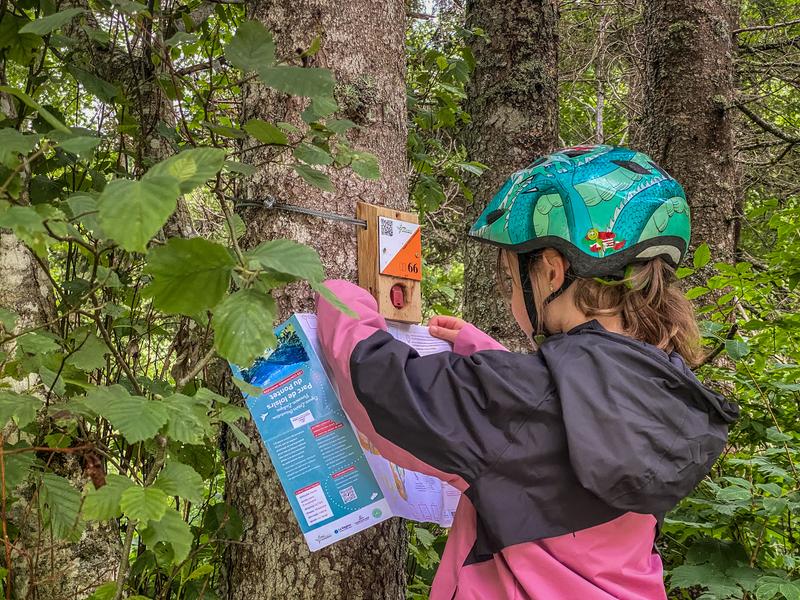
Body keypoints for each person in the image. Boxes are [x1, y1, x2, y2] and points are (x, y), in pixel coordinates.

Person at [315, 145, 739, 599]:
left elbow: (382, 391)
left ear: (552, 273)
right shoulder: (668, 388)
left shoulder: (522, 402)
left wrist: (339, 299)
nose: (509, 290)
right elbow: (563, 416)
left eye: (509, 277)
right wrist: (490, 355)